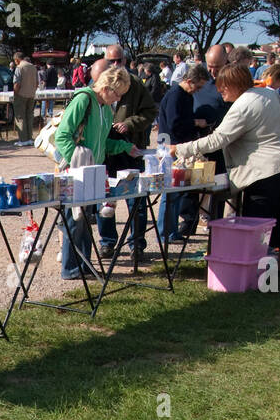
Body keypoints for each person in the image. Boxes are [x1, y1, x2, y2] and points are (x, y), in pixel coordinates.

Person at [172, 64, 280, 251]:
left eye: (223, 86)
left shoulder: (244, 105)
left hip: (269, 172)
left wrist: (179, 149)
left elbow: (217, 139)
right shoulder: (267, 94)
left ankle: (255, 267)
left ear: (234, 85)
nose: (220, 91)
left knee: (256, 224)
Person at [56, 63, 138, 280]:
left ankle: (82, 266)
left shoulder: (106, 109)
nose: (118, 99)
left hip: (94, 173)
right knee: (75, 221)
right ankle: (71, 269)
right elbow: (62, 136)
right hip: (77, 172)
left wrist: (125, 147)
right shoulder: (84, 100)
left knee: (84, 220)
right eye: (117, 94)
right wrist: (79, 160)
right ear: (107, 88)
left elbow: (103, 143)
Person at [98, 45, 157, 259]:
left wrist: (130, 123)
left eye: (119, 61)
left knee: (135, 198)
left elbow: (150, 111)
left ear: (125, 60)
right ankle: (107, 242)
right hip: (106, 151)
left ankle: (137, 245)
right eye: (111, 61)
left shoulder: (135, 85)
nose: (115, 65)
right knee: (105, 198)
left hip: (130, 148)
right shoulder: (98, 84)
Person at [157, 63, 211, 243]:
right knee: (170, 192)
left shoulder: (186, 95)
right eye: (198, 86)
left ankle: (171, 231)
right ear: (188, 81)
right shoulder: (175, 95)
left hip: (180, 146)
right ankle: (165, 232)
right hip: (171, 147)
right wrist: (195, 122)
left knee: (178, 191)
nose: (198, 90)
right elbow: (174, 123)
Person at [192, 44, 231, 226]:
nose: (213, 71)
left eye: (217, 66)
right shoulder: (202, 80)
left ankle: (218, 221)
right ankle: (192, 219)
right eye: (210, 66)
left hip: (223, 143)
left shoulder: (232, 80)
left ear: (226, 61)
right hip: (199, 140)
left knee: (219, 184)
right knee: (196, 184)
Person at [12, 50, 39, 146]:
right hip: (31, 95)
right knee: (29, 116)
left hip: (21, 94)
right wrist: (32, 91)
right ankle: (29, 138)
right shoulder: (33, 67)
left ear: (17, 60)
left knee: (20, 116)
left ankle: (23, 139)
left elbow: (17, 83)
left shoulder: (19, 67)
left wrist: (15, 94)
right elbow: (37, 83)